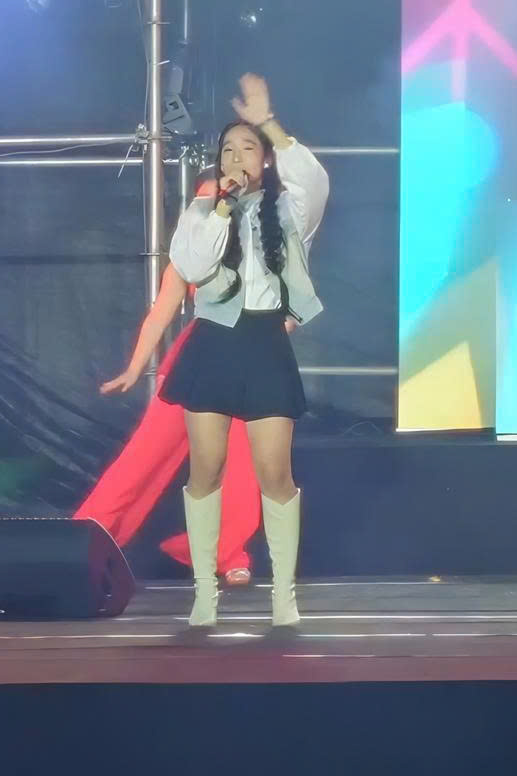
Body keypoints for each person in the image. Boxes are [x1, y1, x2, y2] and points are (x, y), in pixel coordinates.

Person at [161, 74, 330, 627]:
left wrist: (267, 122)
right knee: (205, 470)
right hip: (213, 343)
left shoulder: (290, 211)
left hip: (264, 344)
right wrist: (221, 208)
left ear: (265, 159)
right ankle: (203, 592)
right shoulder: (201, 212)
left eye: (247, 148)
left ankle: (284, 595)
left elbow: (314, 178)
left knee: (274, 473)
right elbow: (193, 266)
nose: (235, 157)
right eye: (228, 150)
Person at [84, 199, 262, 587]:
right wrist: (134, 368)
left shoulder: (259, 252)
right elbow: (159, 314)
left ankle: (230, 553)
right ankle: (88, 536)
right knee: (144, 456)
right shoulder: (187, 257)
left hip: (247, 360)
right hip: (195, 360)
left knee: (241, 463)